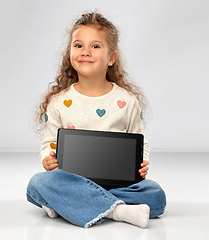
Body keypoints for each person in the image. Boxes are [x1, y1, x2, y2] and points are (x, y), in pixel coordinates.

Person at [27, 11, 166, 228]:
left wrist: (140, 164)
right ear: (70, 52)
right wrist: (48, 159)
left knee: (155, 194)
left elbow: (140, 141)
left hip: (115, 185)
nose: (85, 52)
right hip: (71, 181)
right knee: (37, 184)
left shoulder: (127, 101)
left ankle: (70, 205)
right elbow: (49, 144)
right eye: (78, 45)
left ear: (111, 58)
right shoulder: (58, 102)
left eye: (95, 46)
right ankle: (118, 211)